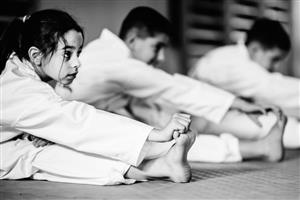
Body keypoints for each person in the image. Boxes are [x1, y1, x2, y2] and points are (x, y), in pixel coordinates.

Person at [55, 7, 286, 163]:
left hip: (88, 118)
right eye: (157, 46)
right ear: (133, 39)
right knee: (167, 139)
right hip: (67, 131)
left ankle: (260, 145)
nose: (162, 57)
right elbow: (173, 86)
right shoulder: (117, 63)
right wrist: (238, 103)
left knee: (162, 118)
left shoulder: (108, 53)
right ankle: (260, 148)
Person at [0, 9, 197, 186]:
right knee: (39, 154)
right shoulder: (18, 87)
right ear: (36, 56)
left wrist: (31, 132)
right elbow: (78, 120)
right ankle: (159, 164)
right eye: (67, 55)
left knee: (43, 149)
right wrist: (156, 134)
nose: (77, 63)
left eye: (78, 53)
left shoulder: (23, 74)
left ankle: (163, 167)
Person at [189, 18, 300, 148]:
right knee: (289, 131)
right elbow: (272, 87)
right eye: (274, 59)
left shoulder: (236, 56)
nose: (276, 67)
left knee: (284, 117)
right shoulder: (231, 64)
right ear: (255, 49)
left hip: (224, 113)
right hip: (204, 120)